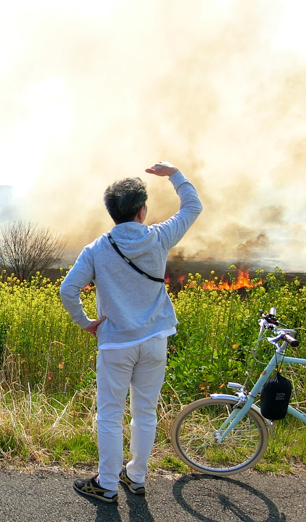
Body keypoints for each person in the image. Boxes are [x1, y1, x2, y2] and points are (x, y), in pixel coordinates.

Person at [60, 161, 202, 502]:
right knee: (145, 412)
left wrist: (87, 323)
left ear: (113, 213)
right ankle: (136, 476)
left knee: (110, 415)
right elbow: (193, 206)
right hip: (155, 341)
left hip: (116, 344)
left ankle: (107, 484)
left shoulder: (96, 249)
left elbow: (68, 290)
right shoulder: (159, 236)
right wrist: (173, 174)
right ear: (142, 210)